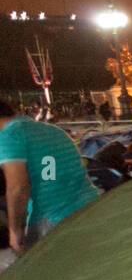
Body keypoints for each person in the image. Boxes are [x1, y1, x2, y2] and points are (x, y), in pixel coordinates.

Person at [0, 100, 98, 255]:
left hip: (52, 218)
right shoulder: (50, 130)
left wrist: (15, 230)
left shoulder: (9, 136)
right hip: (89, 205)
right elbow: (51, 174)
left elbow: (17, 187)